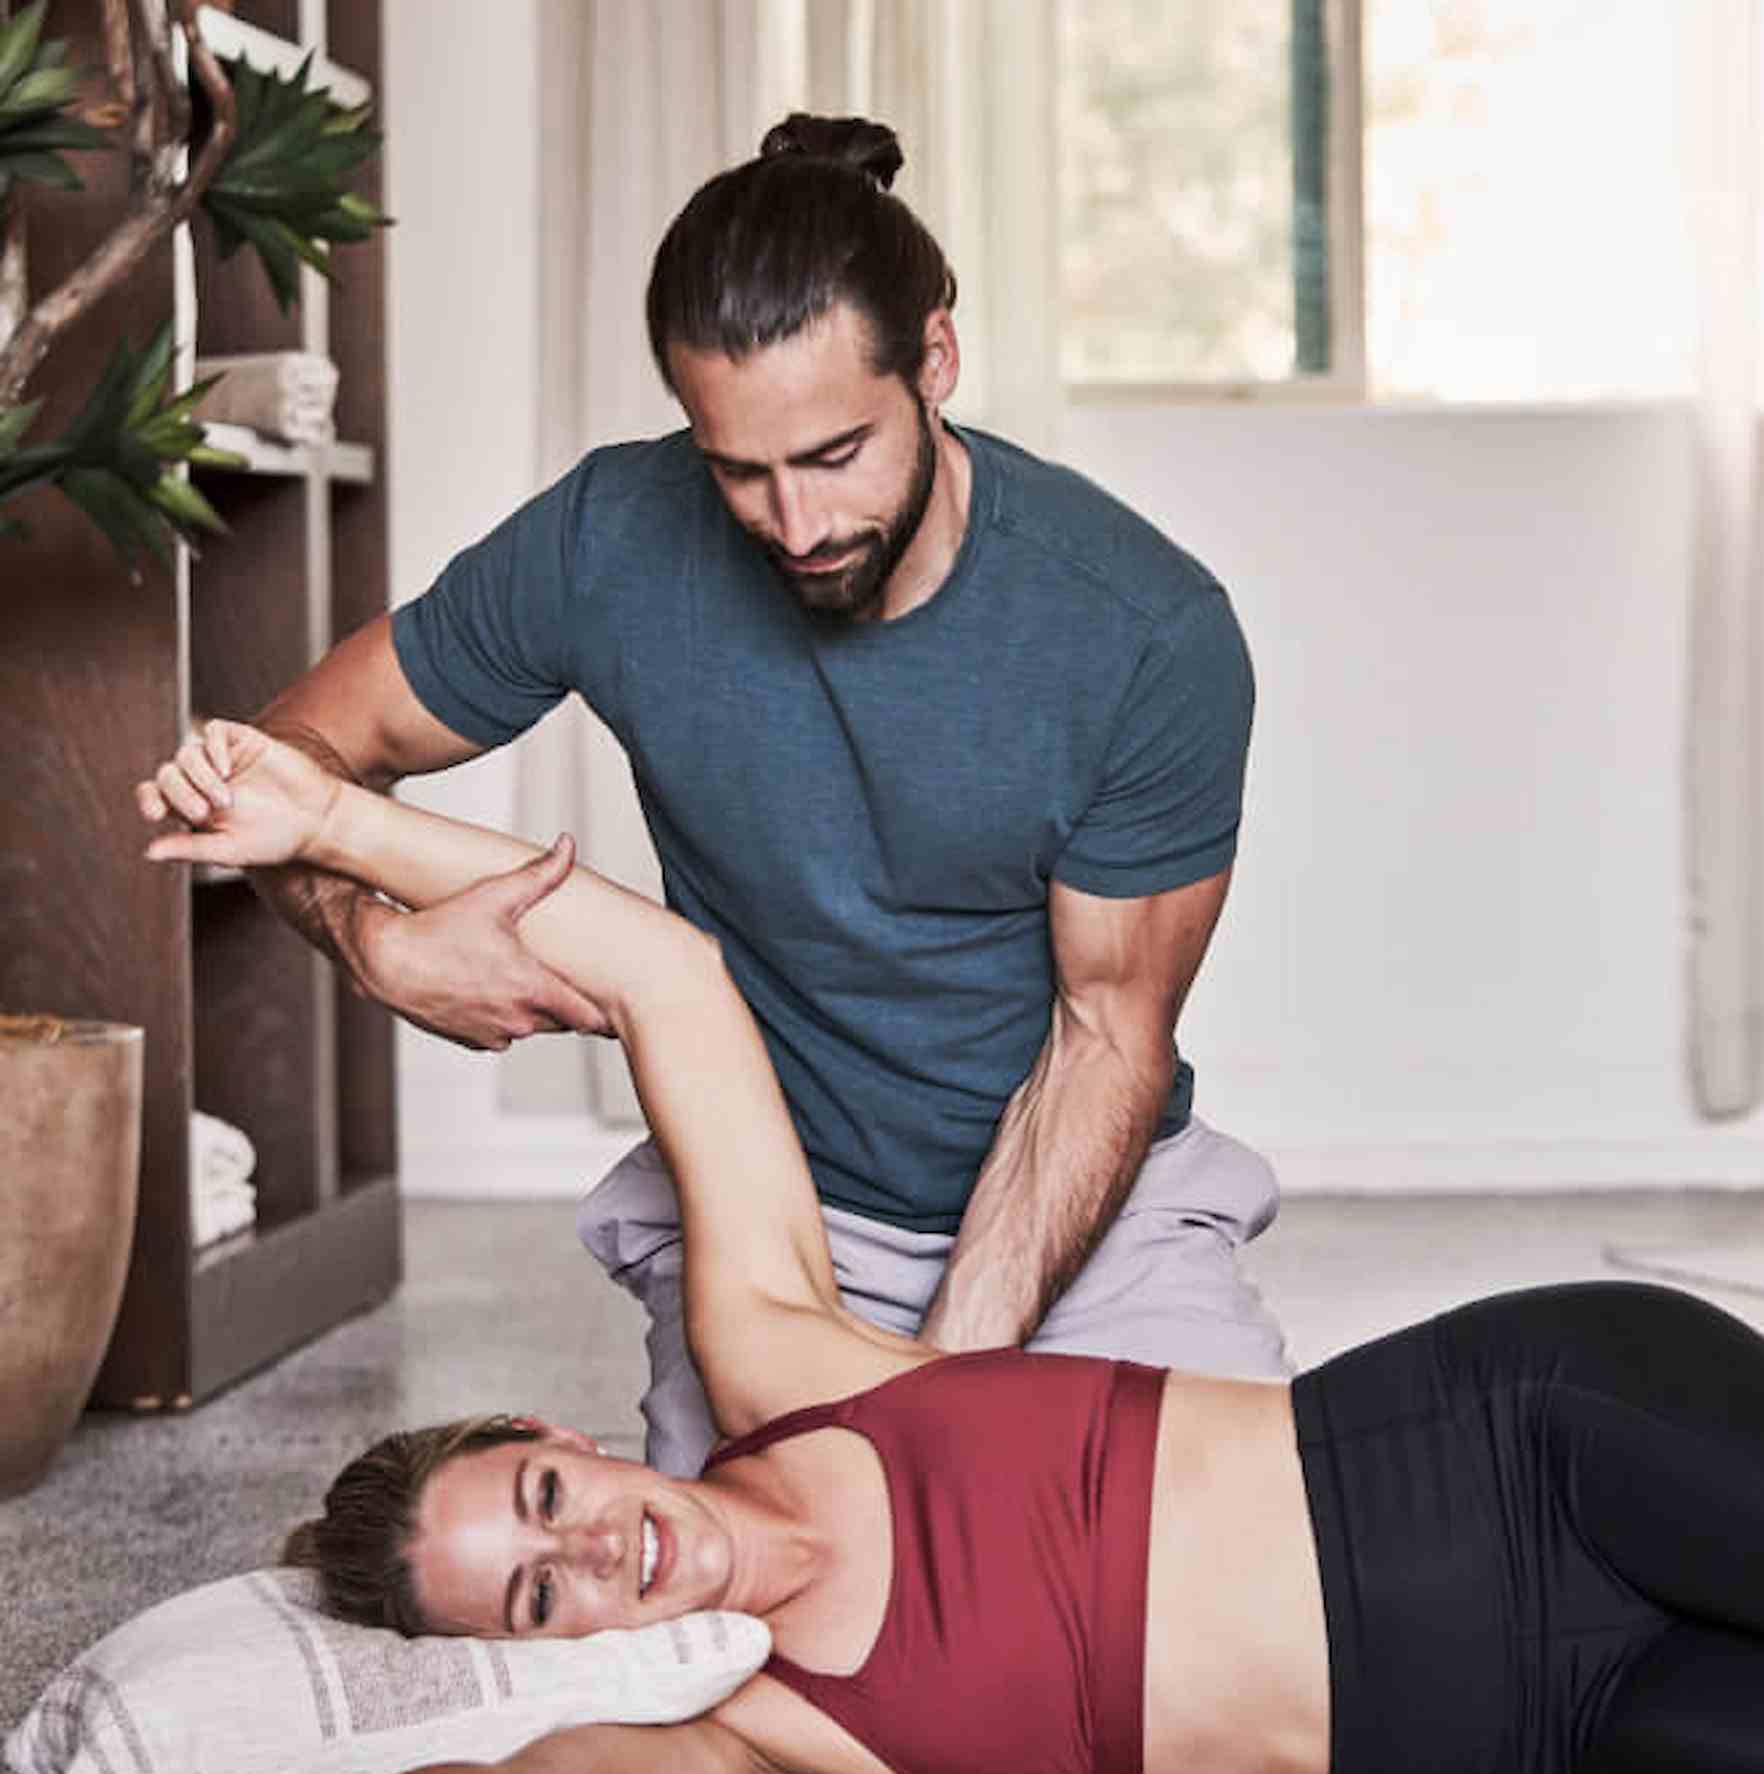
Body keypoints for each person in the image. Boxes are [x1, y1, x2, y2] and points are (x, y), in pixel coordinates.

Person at [147, 724, 1764, 1774]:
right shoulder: (758, 1740)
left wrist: (331, 825)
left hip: (1549, 1443)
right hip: (1564, 1715)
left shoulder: (789, 1372)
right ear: (534, 1654)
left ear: (557, 1443)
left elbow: (665, 978)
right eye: (540, 1600)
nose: (602, 1554)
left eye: (547, 1505)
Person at [145, 111, 1288, 1476]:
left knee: (1243, 1599)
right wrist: (378, 948)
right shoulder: (612, 539)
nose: (795, 527)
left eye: (833, 457)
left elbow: (1107, 1042)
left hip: (1094, 1212)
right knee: (761, 1631)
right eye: (739, 471)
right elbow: (297, 755)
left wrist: (928, 1407)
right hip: (776, 1221)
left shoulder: (1144, 632)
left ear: (937, 360)